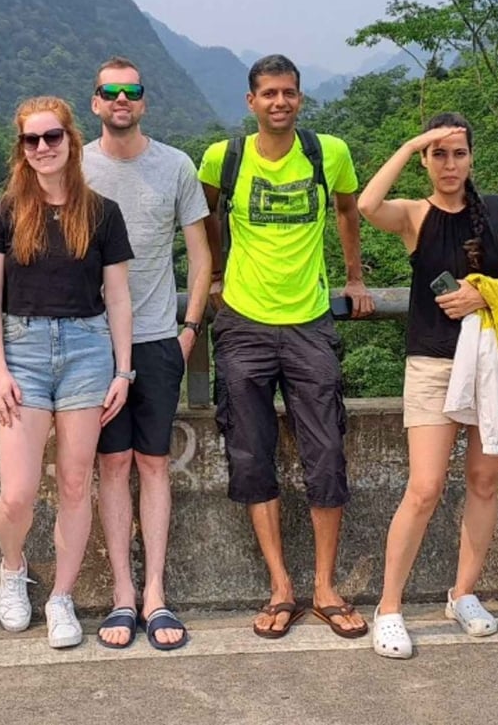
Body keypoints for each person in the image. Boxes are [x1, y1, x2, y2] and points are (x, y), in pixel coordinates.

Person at [198, 53, 374, 641]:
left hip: (310, 321)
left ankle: (325, 587)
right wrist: (216, 278)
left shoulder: (330, 154)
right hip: (243, 322)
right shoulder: (225, 158)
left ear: (301, 99)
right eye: (269, 93)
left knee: (326, 452)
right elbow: (205, 219)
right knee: (251, 453)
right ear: (251, 101)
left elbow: (349, 211)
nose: (279, 102)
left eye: (289, 93)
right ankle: (280, 586)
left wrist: (354, 277)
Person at [356, 113, 498, 660]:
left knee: (484, 482)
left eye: (458, 153)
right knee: (425, 487)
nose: (449, 164)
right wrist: (410, 144)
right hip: (433, 364)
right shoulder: (415, 215)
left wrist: (483, 295)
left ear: (472, 157)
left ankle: (464, 593)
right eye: (439, 154)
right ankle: (389, 607)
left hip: (491, 364)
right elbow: (365, 205)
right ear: (427, 161)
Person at [0, 96, 134, 649]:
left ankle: (61, 597)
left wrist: (123, 369)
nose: (42, 148)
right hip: (21, 348)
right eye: (31, 140)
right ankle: (13, 566)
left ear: (71, 140)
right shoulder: (4, 212)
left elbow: (117, 297)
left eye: (52, 137)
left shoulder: (103, 213)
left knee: (74, 483)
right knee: (17, 493)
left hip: (88, 349)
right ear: (21, 149)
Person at [82, 58, 211, 651]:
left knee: (153, 464)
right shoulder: (76, 165)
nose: (121, 100)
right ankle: (122, 595)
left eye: (131, 91)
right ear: (96, 102)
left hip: (160, 337)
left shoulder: (175, 166)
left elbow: (201, 256)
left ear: (143, 101)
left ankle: (156, 593)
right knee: (110, 466)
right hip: (94, 342)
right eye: (110, 92)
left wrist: (189, 329)